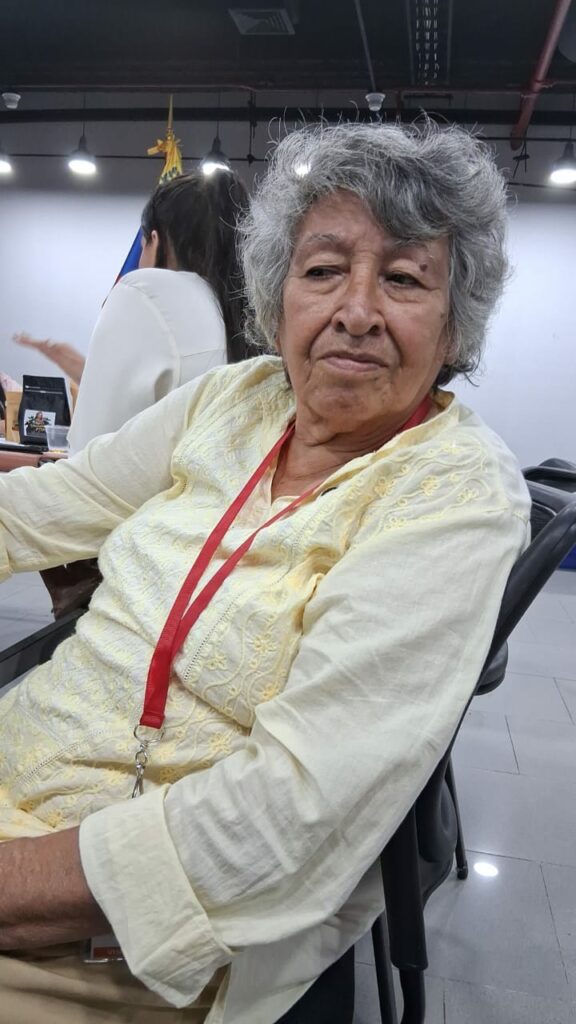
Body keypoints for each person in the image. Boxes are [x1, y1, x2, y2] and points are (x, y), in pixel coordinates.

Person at [0, 120, 530, 1024]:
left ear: (455, 325)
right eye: (323, 271)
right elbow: (50, 504)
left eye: (403, 279)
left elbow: (288, 813)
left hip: (113, 927)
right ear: (277, 297)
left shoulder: (456, 494)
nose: (355, 310)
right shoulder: (232, 401)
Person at [14, 169, 251, 453]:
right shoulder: (246, 315)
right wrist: (91, 377)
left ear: (155, 240)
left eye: (143, 247)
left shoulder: (147, 293)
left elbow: (92, 455)